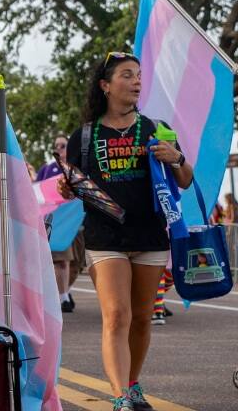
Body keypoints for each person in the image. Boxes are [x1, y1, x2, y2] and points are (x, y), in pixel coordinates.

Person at [58, 52, 193, 411]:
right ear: (106, 85)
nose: (136, 81)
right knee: (117, 315)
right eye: (127, 75)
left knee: (142, 318)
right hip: (105, 238)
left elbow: (185, 180)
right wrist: (66, 188)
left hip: (150, 236)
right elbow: (73, 185)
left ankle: (132, 384)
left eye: (139, 75)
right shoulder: (84, 136)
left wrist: (176, 158)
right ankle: (120, 397)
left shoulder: (156, 129)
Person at [36, 134, 82, 312]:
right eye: (56, 146)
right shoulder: (47, 169)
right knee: (61, 260)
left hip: (77, 223)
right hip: (58, 224)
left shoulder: (76, 168)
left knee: (77, 262)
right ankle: (62, 298)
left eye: (63, 146)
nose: (59, 149)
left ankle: (64, 292)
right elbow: (38, 194)